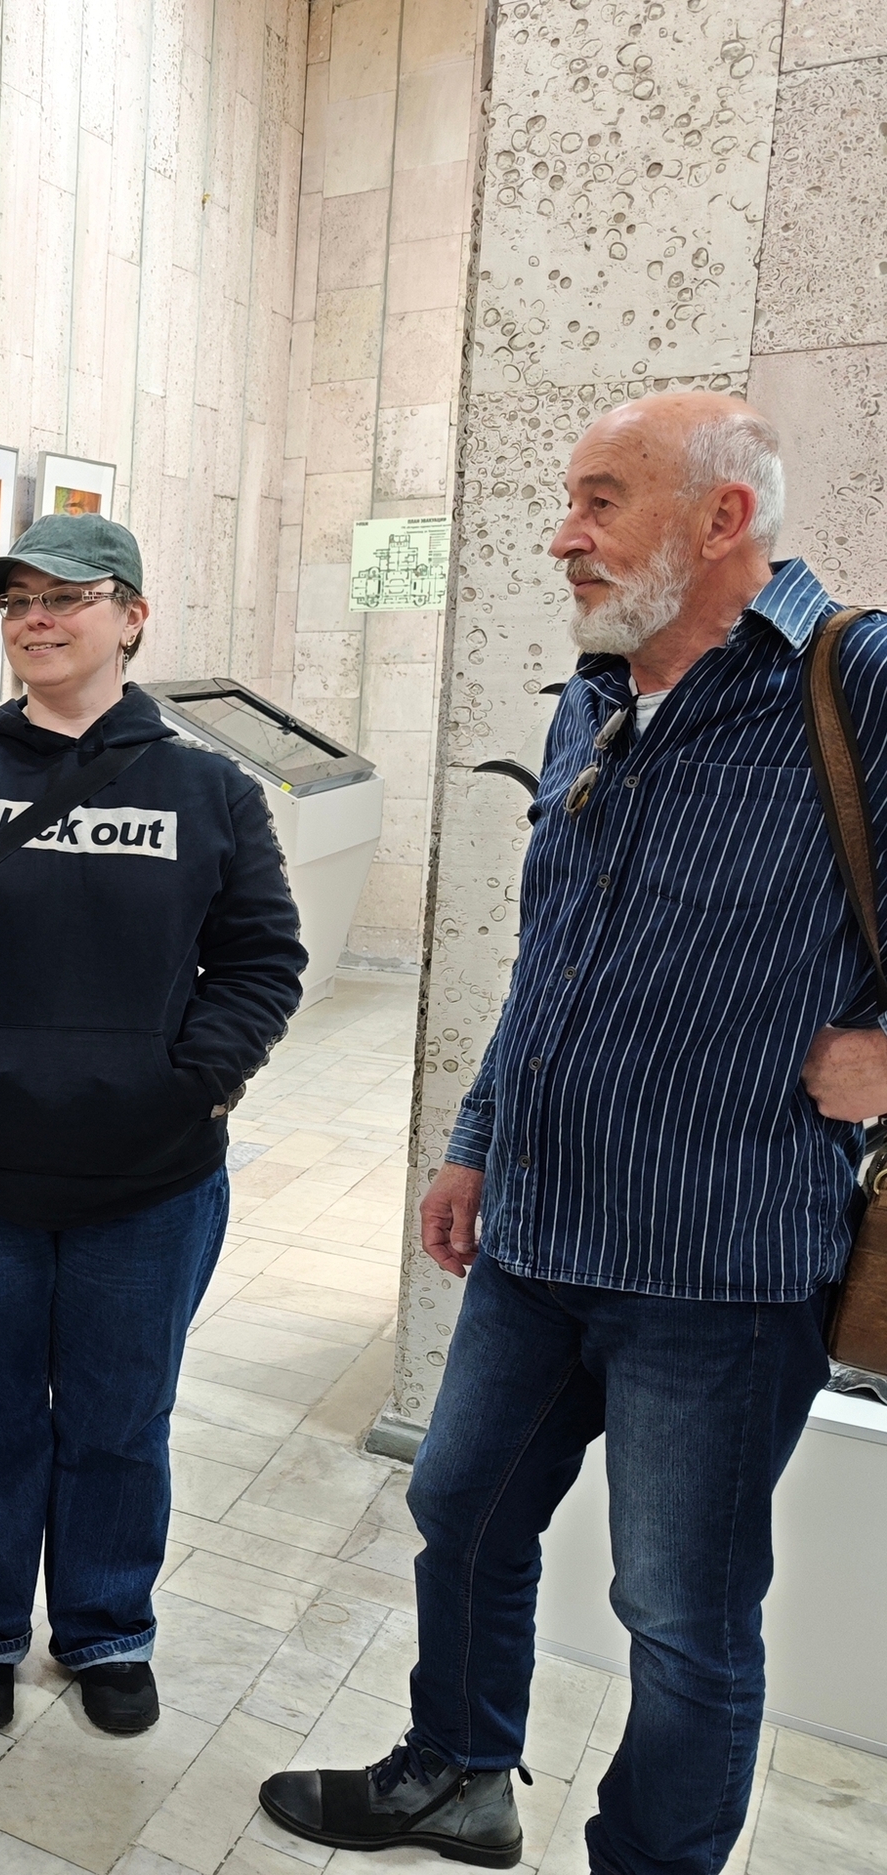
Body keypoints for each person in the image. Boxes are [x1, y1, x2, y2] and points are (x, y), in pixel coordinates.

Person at [261, 394, 883, 1874]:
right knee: (460, 1505)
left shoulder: (856, 681)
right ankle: (459, 1773)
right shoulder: (593, 697)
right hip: (540, 1234)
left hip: (722, 1268)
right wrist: (475, 1135)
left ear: (724, 517)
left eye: (602, 499)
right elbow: (553, 958)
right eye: (569, 500)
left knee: (679, 1610)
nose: (563, 535)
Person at [0, 511, 305, 1734]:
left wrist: (191, 1085)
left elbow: (260, 962)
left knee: (119, 1422)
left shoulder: (209, 790)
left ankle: (105, 1629)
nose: (35, 621)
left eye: (65, 598)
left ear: (131, 617)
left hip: (149, 1184)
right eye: (17, 603)